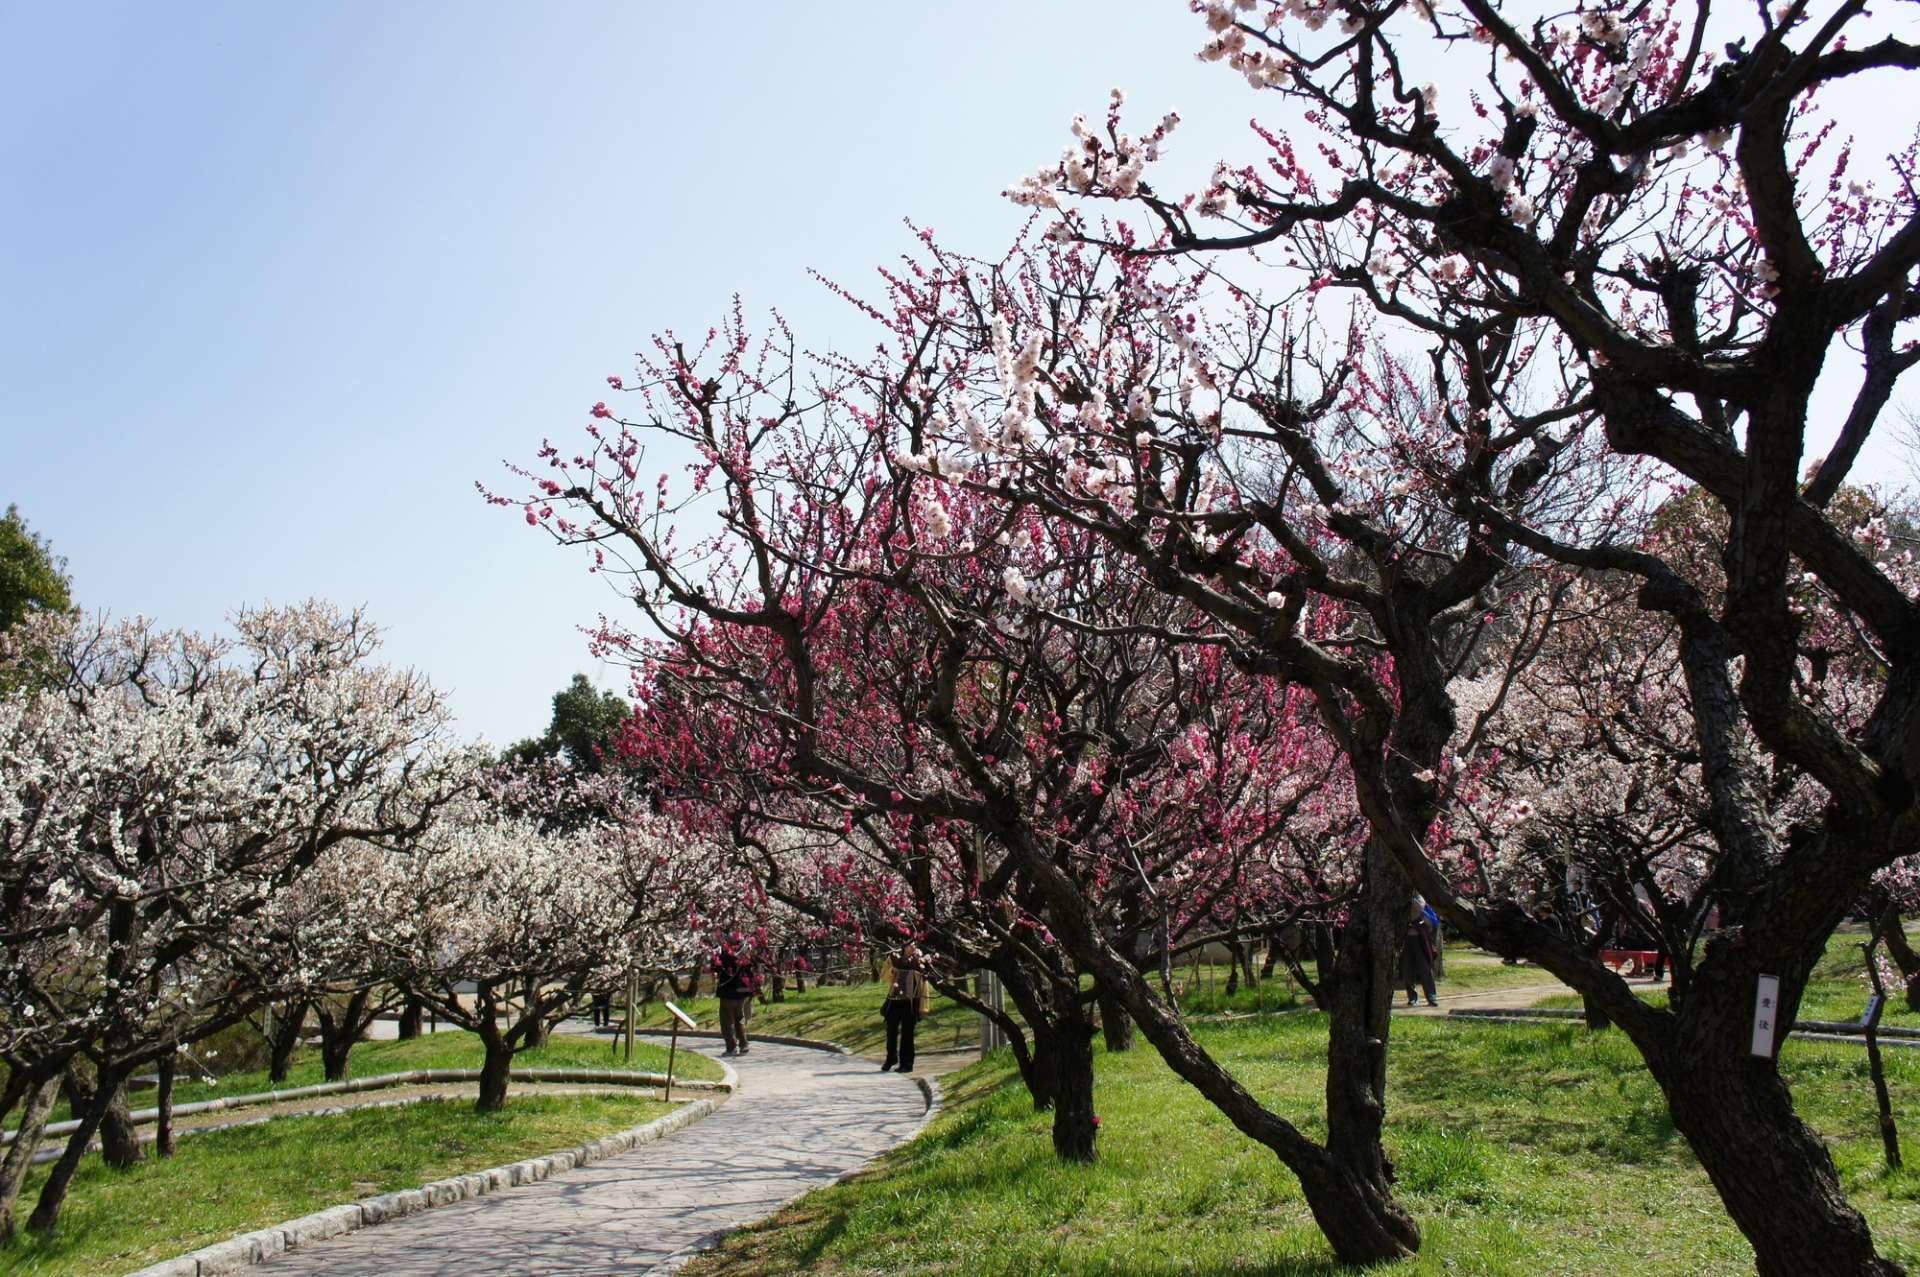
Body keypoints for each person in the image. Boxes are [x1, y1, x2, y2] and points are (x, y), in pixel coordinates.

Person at [879, 947, 930, 1072]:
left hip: (911, 1002)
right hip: (894, 1000)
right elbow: (884, 976)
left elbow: (925, 983)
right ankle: (891, 1057)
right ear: (904, 946)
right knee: (891, 1030)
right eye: (909, 944)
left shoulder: (919, 961)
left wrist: (923, 1005)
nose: (912, 947)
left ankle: (907, 1063)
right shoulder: (894, 958)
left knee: (907, 1034)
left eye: (914, 944)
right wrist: (892, 971)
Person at [712, 935, 757, 1058]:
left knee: (727, 1022)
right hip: (742, 992)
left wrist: (714, 956)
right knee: (739, 1019)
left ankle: (731, 1047)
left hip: (728, 993)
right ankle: (744, 1044)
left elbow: (716, 966)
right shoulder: (746, 953)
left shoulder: (725, 954)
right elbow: (751, 972)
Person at [1402, 899, 1438, 1007]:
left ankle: (1431, 996)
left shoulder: (1417, 896)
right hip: (1404, 938)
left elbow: (1419, 908)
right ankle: (1412, 997)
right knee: (1406, 968)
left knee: (1425, 968)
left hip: (1418, 937)